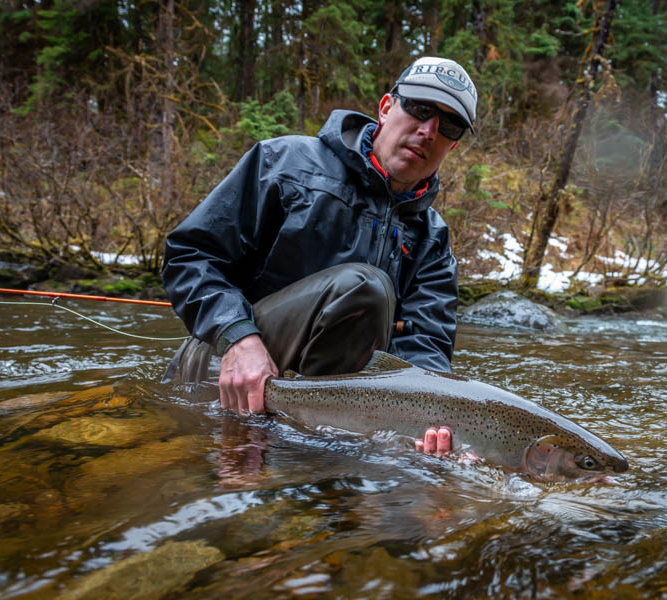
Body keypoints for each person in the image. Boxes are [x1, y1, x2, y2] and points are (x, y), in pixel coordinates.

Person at [162, 57, 477, 456]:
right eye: (420, 108)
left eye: (449, 126)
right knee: (366, 288)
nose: (428, 130)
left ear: (453, 143)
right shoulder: (285, 165)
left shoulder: (432, 240)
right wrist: (237, 337)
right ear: (385, 107)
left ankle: (311, 464)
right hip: (219, 370)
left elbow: (424, 353)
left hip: (330, 414)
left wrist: (433, 428)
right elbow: (190, 255)